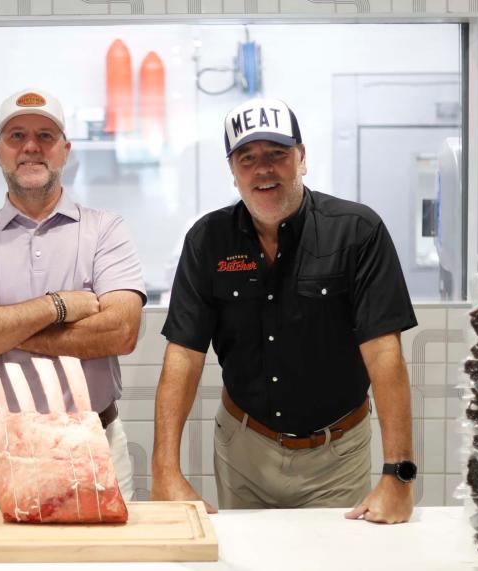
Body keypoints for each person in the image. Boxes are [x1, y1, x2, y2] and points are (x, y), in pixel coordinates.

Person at [150, 97, 419, 524]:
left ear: (302, 158)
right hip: (244, 451)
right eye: (247, 157)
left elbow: (384, 354)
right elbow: (183, 355)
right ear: (233, 170)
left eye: (277, 154)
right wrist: (164, 471)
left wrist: (398, 475)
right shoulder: (207, 241)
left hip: (336, 454)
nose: (263, 168)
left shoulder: (357, 232)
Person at [0, 88, 145, 501]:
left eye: (45, 136)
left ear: (65, 151)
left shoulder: (105, 230)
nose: (31, 147)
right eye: (17, 136)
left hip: (93, 442)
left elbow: (121, 330)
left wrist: (0, 325)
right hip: (3, 449)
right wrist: (59, 306)